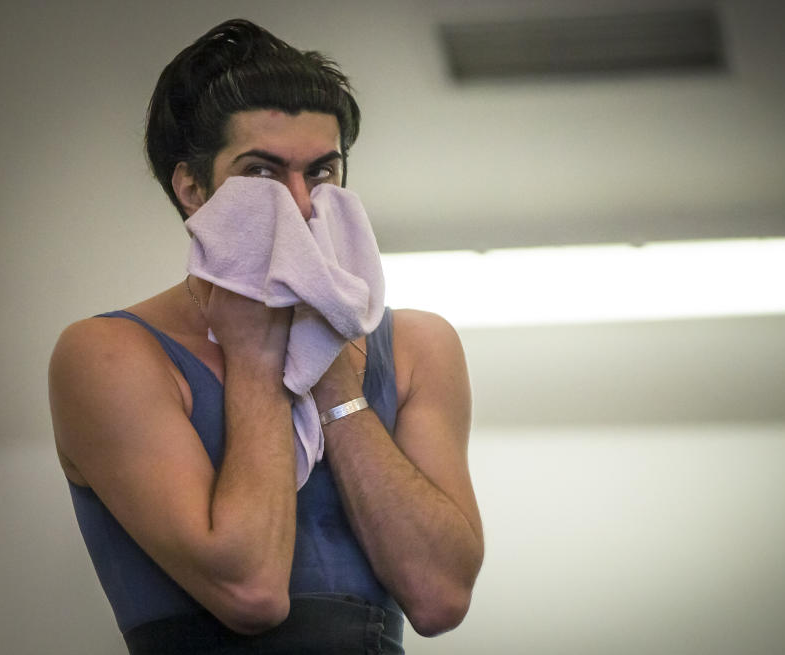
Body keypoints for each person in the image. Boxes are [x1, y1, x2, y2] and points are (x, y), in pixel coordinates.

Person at [48, 18, 484, 655]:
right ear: (194, 189)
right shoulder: (108, 355)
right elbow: (250, 591)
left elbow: (442, 595)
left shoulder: (420, 346)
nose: (302, 204)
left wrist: (334, 376)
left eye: (323, 173)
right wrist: (255, 360)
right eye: (261, 174)